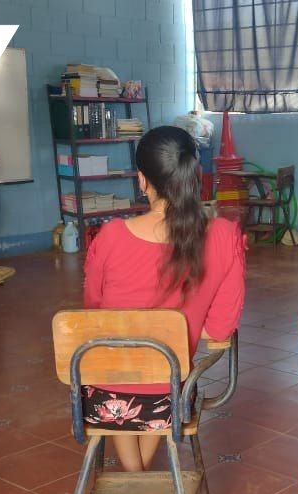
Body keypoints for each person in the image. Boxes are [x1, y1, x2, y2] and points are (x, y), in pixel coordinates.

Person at [83, 126, 245, 472]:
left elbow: (94, 310)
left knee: (119, 374)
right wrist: (180, 326)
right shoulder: (224, 235)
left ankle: (136, 477)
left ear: (142, 180)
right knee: (160, 374)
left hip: (104, 393)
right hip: (172, 395)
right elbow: (219, 330)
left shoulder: (110, 236)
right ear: (193, 175)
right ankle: (138, 477)